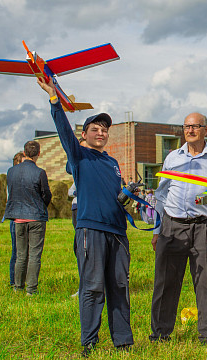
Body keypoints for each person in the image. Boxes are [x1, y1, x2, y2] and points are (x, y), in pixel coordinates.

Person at [37, 77, 134, 356]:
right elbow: (64, 131)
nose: (101, 133)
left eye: (105, 129)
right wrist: (55, 100)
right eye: (95, 129)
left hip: (117, 232)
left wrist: (126, 195)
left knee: (119, 286)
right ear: (85, 134)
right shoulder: (78, 156)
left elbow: (112, 195)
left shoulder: (113, 162)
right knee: (92, 288)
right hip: (90, 230)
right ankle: (89, 344)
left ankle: (123, 342)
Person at [150, 112, 207, 345]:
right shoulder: (172, 158)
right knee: (165, 282)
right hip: (172, 226)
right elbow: (161, 195)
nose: (190, 130)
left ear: (206, 130)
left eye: (196, 126)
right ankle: (160, 333)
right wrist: (157, 230)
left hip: (204, 228)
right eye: (187, 126)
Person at [5, 141, 52, 296]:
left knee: (20, 254)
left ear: (24, 153)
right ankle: (31, 290)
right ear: (38, 154)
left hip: (18, 217)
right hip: (36, 217)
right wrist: (40, 205)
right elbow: (46, 195)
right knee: (34, 255)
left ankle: (17, 287)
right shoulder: (40, 172)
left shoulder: (11, 171)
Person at [8, 151, 25, 287]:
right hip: (16, 216)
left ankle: (20, 280)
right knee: (17, 251)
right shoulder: (13, 176)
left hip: (23, 215)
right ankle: (14, 280)